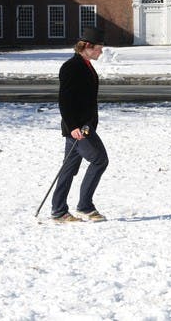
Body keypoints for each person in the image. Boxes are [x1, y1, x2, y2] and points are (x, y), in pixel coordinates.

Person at [52, 26, 109, 222]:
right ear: (88, 46)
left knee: (68, 169)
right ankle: (85, 206)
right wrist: (73, 127)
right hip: (79, 128)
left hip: (82, 126)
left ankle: (58, 211)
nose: (101, 52)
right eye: (99, 48)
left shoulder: (85, 65)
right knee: (100, 160)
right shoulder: (71, 67)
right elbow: (64, 101)